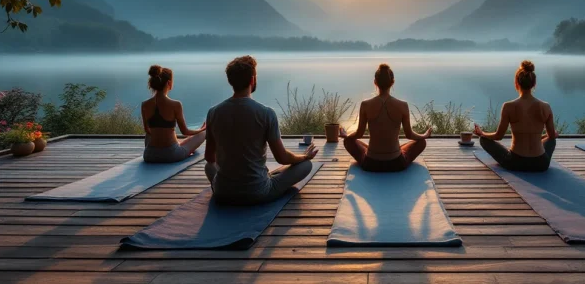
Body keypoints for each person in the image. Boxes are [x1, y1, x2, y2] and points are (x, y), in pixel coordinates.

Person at [204, 55, 318, 205]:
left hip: (223, 192)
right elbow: (282, 158)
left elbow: (209, 158)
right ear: (252, 80)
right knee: (306, 165)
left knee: (208, 167)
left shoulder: (213, 112)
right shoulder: (266, 113)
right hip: (258, 192)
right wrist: (304, 157)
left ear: (230, 81)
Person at [340, 63, 431, 172]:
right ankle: (397, 151)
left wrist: (347, 136)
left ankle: (374, 151)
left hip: (370, 163)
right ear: (393, 82)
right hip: (397, 163)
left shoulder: (365, 105)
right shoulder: (403, 105)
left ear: (375, 82)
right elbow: (409, 134)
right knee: (421, 142)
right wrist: (424, 135)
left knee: (348, 141)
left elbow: (359, 134)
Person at [473, 60, 558, 172]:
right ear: (534, 84)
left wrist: (482, 133)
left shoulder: (508, 106)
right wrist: (547, 136)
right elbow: (551, 136)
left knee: (484, 140)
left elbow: (498, 136)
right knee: (552, 140)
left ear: (516, 83)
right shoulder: (545, 107)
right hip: (541, 164)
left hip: (515, 162)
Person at [141, 65, 206, 163]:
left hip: (149, 155)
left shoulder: (145, 104)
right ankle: (178, 143)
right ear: (169, 83)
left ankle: (172, 143)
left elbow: (147, 130)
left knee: (152, 131)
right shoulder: (175, 104)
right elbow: (185, 132)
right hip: (171, 155)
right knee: (202, 134)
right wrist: (202, 129)